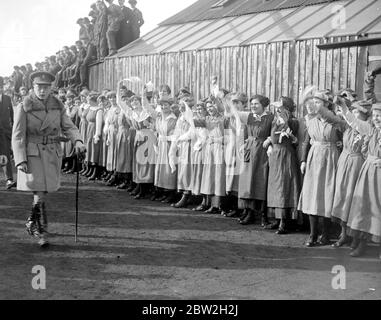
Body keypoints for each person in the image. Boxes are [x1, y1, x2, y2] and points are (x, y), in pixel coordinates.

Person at [11, 71, 86, 247]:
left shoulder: (57, 107)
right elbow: (18, 135)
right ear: (33, 87)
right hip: (33, 154)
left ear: (51, 88)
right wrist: (20, 159)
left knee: (42, 191)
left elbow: (69, 127)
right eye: (39, 87)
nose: (42, 91)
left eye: (46, 87)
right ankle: (41, 231)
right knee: (39, 192)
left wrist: (79, 141)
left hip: (52, 153)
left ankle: (31, 221)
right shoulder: (24, 106)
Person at [298, 89, 343, 247]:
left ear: (326, 105)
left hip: (331, 158)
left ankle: (325, 235)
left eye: (318, 102)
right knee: (312, 195)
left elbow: (344, 140)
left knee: (327, 195)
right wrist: (303, 160)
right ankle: (312, 234)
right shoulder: (310, 120)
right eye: (314, 102)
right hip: (314, 159)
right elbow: (305, 141)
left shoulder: (335, 120)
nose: (315, 105)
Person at [0, 76, 16, 189]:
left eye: (0, 86)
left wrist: (13, 128)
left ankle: (9, 179)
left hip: (5, 132)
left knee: (5, 155)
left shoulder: (7, 98)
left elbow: (12, 116)